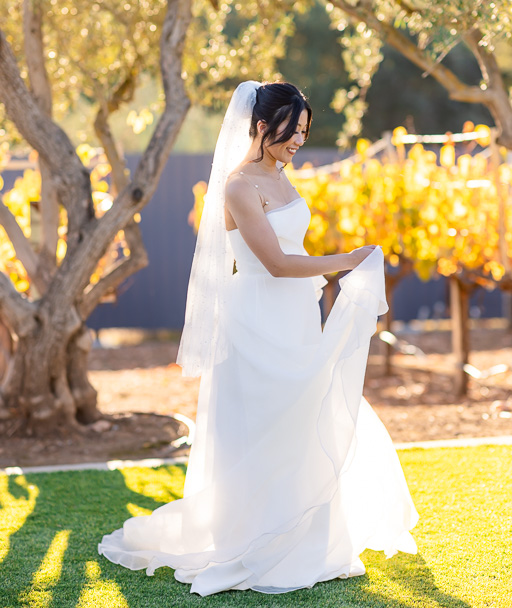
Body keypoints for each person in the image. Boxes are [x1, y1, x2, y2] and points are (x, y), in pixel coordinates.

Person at [98, 80, 419, 596]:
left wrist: (338, 269)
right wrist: (350, 259)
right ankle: (253, 542)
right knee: (264, 424)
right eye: (292, 132)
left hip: (295, 314)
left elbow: (293, 250)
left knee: (301, 417)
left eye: (305, 133)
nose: (298, 142)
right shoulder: (238, 186)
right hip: (254, 320)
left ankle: (307, 540)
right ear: (263, 126)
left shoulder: (282, 178)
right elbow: (274, 262)